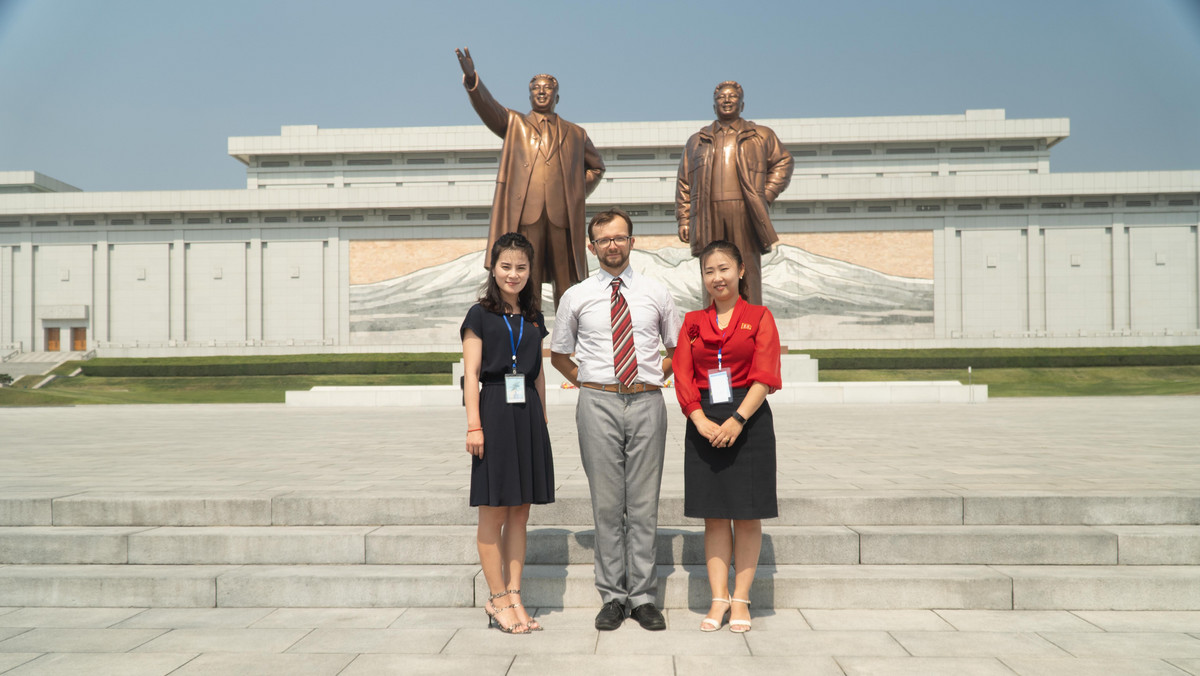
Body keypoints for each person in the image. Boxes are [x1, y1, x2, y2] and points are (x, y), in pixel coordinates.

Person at [550, 207, 681, 631]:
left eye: (619, 237)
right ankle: (612, 595)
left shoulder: (656, 293)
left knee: (643, 505)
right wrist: (590, 383)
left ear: (632, 241)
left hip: (646, 403)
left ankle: (642, 597)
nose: (612, 245)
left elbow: (677, 350)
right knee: (607, 505)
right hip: (598, 404)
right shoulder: (577, 295)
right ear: (592, 246)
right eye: (603, 239)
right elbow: (559, 354)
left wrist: (649, 379)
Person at [672, 239, 782, 633]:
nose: (716, 277)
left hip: (748, 420)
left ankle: (741, 599)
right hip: (703, 420)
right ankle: (718, 598)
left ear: (740, 271)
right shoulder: (692, 323)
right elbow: (682, 375)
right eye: (708, 271)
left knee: (747, 516)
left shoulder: (760, 316)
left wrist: (736, 419)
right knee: (714, 517)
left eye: (723, 269)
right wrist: (698, 419)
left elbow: (765, 375)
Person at [456, 47, 606, 307]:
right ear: (529, 94)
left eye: (547, 88)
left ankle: (567, 337)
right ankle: (529, 333)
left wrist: (574, 191)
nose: (541, 91)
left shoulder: (576, 134)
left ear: (557, 95)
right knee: (528, 276)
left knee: (566, 281)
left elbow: (596, 167)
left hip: (562, 217)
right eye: (536, 88)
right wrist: (473, 81)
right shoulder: (514, 124)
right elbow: (488, 108)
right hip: (526, 213)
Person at [461, 232, 554, 634]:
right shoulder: (479, 314)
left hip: (528, 416)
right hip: (495, 410)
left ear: (530, 271)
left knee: (520, 513)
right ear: (493, 267)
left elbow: (538, 376)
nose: (513, 274)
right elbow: (470, 376)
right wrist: (474, 425)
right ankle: (496, 599)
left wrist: (544, 422)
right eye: (505, 266)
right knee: (494, 512)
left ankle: (515, 595)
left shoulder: (533, 317)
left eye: (521, 267)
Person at [675, 81, 794, 306]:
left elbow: (783, 162)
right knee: (713, 268)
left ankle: (752, 325)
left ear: (742, 104)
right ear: (714, 106)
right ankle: (713, 324)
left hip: (745, 211)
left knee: (747, 268)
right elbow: (684, 182)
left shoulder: (760, 135)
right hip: (708, 213)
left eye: (732, 96)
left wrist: (765, 194)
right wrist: (684, 218)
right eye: (722, 97)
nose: (727, 100)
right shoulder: (697, 141)